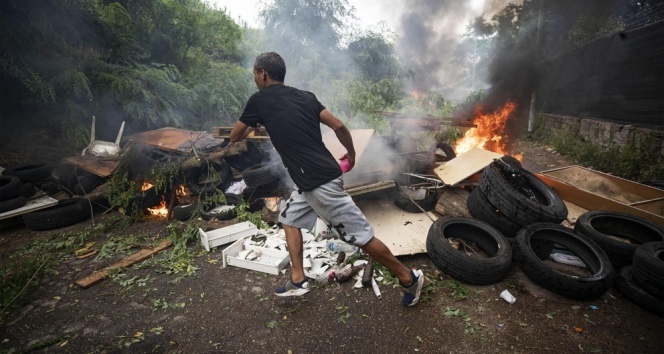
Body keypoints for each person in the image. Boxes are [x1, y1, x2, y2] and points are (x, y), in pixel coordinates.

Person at [230, 52, 430, 306]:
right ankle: (298, 278)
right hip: (313, 179)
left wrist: (251, 123)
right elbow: (338, 126)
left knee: (360, 237)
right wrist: (352, 152)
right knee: (288, 218)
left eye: (255, 75)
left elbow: (236, 137)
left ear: (263, 74)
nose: (255, 80)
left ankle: (409, 279)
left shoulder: (259, 100)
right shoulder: (306, 97)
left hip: (318, 183)